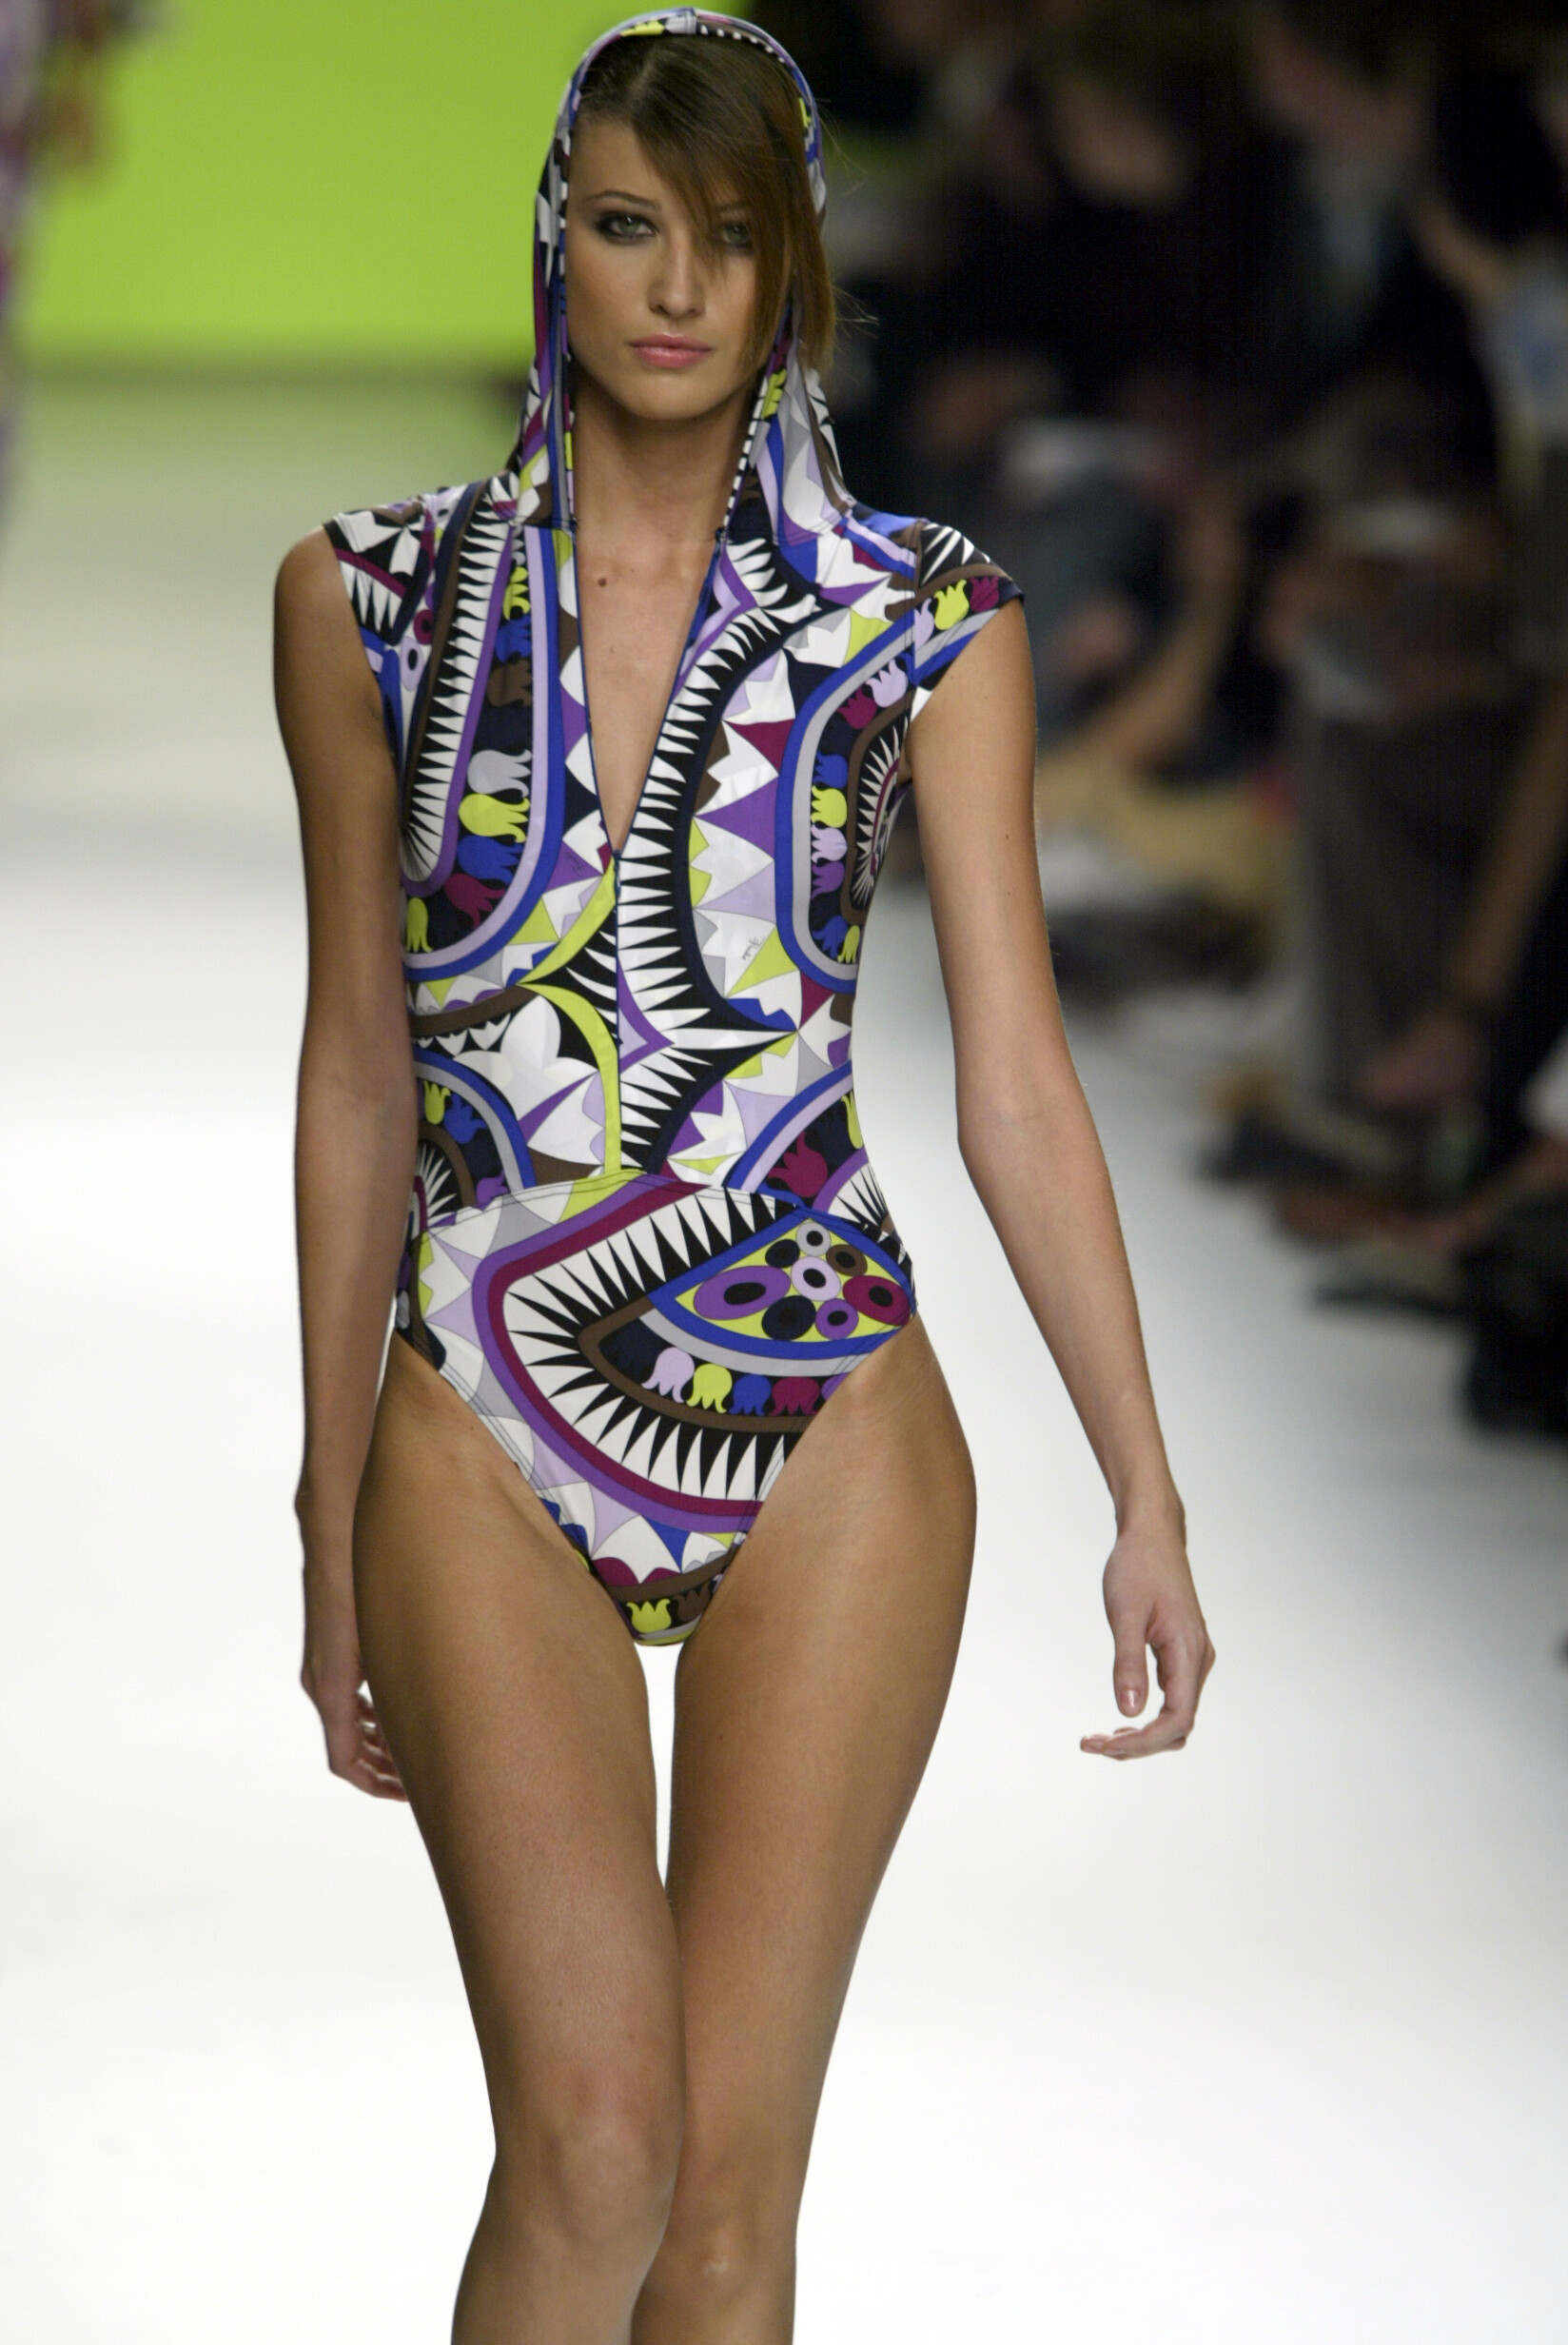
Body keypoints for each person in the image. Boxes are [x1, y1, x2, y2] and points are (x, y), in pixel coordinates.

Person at [272, 15, 1212, 2341]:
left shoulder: (923, 615)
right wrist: (321, 1497)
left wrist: (1141, 1482)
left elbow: (1014, 1077)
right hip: (476, 1415)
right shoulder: (369, 600)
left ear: (796, 261)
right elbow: (360, 1065)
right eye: (625, 228)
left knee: (715, 2216)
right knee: (590, 2145)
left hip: (833, 1416)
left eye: (726, 235)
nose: (675, 289)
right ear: (553, 246)